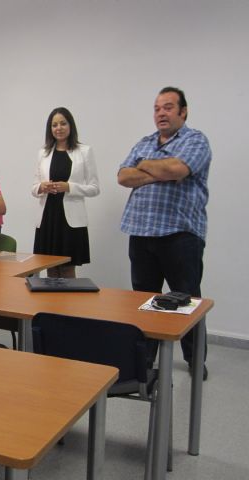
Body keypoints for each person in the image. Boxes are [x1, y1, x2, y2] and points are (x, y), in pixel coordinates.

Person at [118, 86, 212, 378]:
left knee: (187, 300)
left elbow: (178, 170)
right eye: (158, 108)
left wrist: (144, 167)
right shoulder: (144, 141)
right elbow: (123, 176)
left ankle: (195, 359)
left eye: (168, 107)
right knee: (143, 301)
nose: (161, 113)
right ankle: (144, 360)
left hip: (180, 234)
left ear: (183, 112)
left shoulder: (195, 140)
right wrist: (158, 169)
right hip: (142, 232)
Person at [31, 107, 100, 278]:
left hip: (71, 220)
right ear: (50, 129)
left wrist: (69, 187)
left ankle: (69, 305)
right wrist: (42, 187)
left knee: (68, 268)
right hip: (48, 218)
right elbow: (34, 188)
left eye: (63, 123)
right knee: (50, 267)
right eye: (54, 125)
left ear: (70, 126)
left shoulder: (84, 151)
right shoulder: (43, 153)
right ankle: (51, 305)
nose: (58, 128)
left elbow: (94, 188)